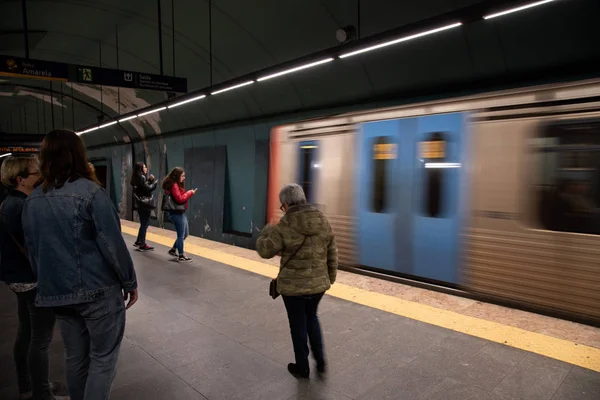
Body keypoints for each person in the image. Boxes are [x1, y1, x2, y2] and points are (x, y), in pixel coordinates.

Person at [22, 130, 138, 400]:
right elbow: (112, 246)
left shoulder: (32, 200)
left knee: (75, 358)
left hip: (57, 294)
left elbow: (33, 251)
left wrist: (47, 284)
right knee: (103, 358)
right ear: (78, 154)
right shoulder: (91, 194)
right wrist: (129, 282)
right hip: (97, 292)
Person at [0, 155, 68, 400]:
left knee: (26, 333)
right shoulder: (23, 206)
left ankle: (26, 386)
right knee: (41, 339)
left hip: (17, 278)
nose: (40, 176)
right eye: (35, 173)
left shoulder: (8, 203)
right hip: (33, 280)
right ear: (21, 180)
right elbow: (39, 245)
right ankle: (42, 394)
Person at [256, 183, 338, 379]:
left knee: (298, 325)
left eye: (282, 206)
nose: (282, 210)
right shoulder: (322, 219)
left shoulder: (284, 225)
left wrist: (266, 232)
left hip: (293, 289)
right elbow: (332, 252)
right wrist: (330, 278)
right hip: (318, 286)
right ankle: (321, 362)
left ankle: (302, 367)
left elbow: (264, 250)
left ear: (286, 204)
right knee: (312, 318)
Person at [162, 167, 196, 262]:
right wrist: (189, 193)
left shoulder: (176, 185)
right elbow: (179, 199)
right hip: (176, 213)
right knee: (181, 235)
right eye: (182, 176)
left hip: (180, 212)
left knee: (185, 234)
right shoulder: (174, 186)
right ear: (177, 176)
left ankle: (173, 249)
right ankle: (181, 255)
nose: (184, 178)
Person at [130, 161, 157, 251]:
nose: (146, 168)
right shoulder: (142, 177)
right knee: (145, 223)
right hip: (145, 204)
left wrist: (148, 181)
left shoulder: (136, 178)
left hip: (140, 204)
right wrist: (154, 183)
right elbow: (148, 189)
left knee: (143, 223)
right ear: (140, 168)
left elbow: (143, 187)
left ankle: (139, 241)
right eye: (144, 167)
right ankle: (142, 243)